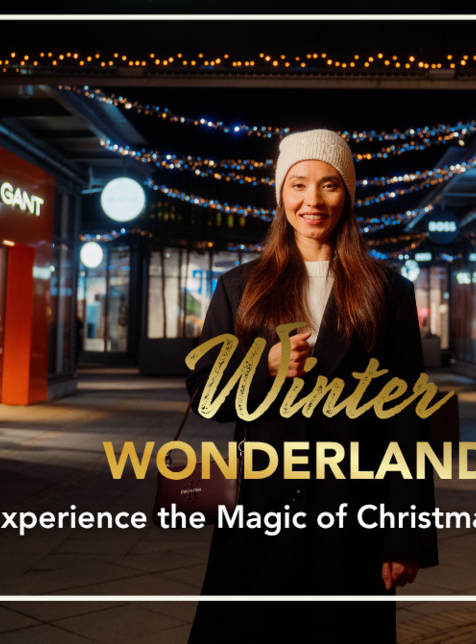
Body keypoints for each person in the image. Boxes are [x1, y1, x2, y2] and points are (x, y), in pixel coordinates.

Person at [186, 129, 438, 643]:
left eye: (329, 185)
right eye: (298, 184)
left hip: (352, 517)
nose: (312, 200)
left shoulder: (387, 290)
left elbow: (408, 420)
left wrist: (406, 534)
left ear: (347, 194)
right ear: (281, 193)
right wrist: (262, 367)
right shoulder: (241, 286)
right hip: (260, 512)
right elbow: (204, 392)